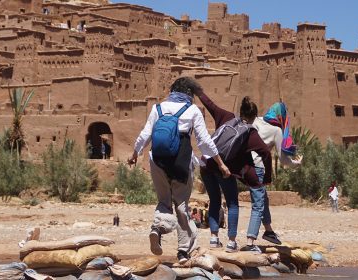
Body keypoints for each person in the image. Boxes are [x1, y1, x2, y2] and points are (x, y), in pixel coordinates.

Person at [128, 77, 230, 264]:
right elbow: (204, 141)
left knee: (163, 201)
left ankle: (157, 229)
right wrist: (220, 163)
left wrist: (135, 153)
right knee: (181, 205)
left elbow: (145, 134)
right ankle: (183, 252)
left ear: (172, 90)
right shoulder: (192, 110)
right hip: (180, 162)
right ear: (189, 94)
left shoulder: (157, 108)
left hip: (157, 160)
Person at [196, 90, 272, 253]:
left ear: (241, 111)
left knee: (214, 200)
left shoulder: (227, 116)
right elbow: (266, 153)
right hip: (224, 169)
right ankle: (231, 242)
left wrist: (197, 90)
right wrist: (267, 176)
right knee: (232, 203)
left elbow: (210, 104)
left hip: (206, 165)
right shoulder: (250, 133)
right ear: (254, 117)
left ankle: (214, 239)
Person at [243, 102, 302, 252]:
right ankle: (250, 242)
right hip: (258, 168)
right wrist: (296, 163)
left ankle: (269, 231)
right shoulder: (276, 130)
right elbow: (283, 160)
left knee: (263, 199)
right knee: (258, 204)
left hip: (244, 167)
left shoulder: (256, 120)